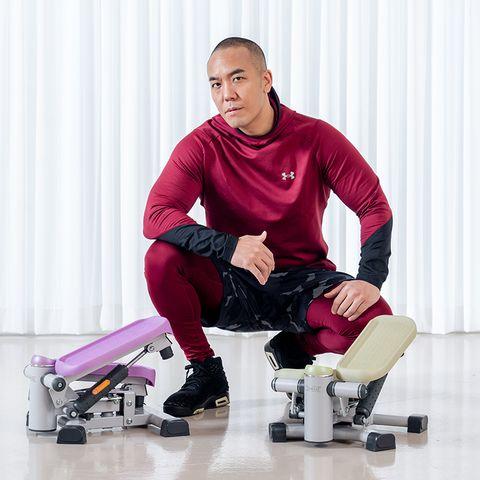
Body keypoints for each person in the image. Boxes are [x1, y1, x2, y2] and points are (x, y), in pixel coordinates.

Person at [143, 37, 393, 418]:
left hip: (303, 284)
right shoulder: (202, 145)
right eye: (216, 84)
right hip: (231, 283)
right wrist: (229, 246)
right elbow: (157, 214)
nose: (227, 94)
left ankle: (294, 346)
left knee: (376, 323)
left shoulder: (315, 137)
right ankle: (205, 372)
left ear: (265, 80)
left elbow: (372, 204)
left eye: (237, 78)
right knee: (161, 258)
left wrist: (370, 278)